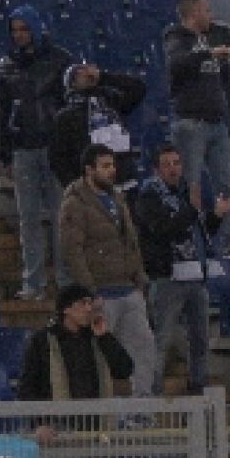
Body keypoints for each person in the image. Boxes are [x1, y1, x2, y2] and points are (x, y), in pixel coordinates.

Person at [134, 144, 230, 394]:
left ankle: (198, 388)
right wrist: (191, 210)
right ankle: (151, 394)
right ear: (156, 169)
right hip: (167, 277)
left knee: (200, 339)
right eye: (167, 164)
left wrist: (216, 215)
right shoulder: (149, 196)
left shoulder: (185, 192)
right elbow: (163, 228)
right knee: (161, 339)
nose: (173, 169)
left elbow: (200, 231)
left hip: (195, 275)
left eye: (177, 163)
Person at [58, 146, 158, 398]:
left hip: (128, 289)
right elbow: (72, 251)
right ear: (89, 170)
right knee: (98, 358)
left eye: (112, 165)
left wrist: (139, 280)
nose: (112, 170)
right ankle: (101, 411)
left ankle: (141, 409)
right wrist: (89, 292)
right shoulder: (75, 204)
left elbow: (131, 243)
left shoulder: (117, 198)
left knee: (143, 351)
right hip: (101, 294)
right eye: (105, 166)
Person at [0, 6, 74, 299]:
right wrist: (4, 154)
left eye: (24, 29)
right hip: (22, 149)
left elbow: (70, 106)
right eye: (15, 30)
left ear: (36, 28)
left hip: (54, 149)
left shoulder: (61, 60)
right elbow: (2, 112)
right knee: (28, 218)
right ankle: (34, 283)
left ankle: (65, 281)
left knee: (60, 216)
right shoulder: (5, 65)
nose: (19, 35)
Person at [163, 0, 230, 250]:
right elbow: (177, 64)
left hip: (216, 123)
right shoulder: (176, 36)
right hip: (191, 123)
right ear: (194, 13)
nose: (211, 15)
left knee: (228, 183)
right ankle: (192, 239)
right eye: (207, 10)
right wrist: (210, 53)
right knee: (190, 183)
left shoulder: (207, 39)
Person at [18, 284, 134, 401]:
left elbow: (124, 370)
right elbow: (27, 387)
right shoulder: (42, 341)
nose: (89, 309)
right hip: (58, 412)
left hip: (97, 412)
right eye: (83, 303)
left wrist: (105, 337)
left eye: (90, 303)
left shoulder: (97, 338)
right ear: (66, 309)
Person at [50, 62, 147, 190]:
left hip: (125, 181)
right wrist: (76, 187)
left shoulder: (112, 103)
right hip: (91, 187)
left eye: (87, 69)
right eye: (79, 73)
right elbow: (58, 159)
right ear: (72, 83)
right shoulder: (66, 116)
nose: (87, 73)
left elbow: (139, 88)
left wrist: (103, 77)